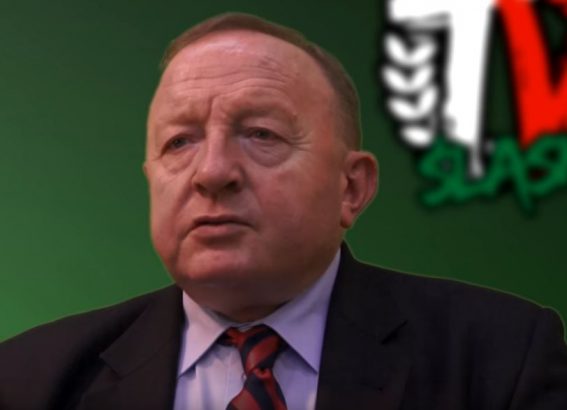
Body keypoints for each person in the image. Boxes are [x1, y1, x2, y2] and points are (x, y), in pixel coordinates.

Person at [1, 12, 566, 410]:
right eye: (179, 142)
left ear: (352, 188)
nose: (211, 172)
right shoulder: (27, 380)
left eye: (261, 134)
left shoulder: (501, 360)